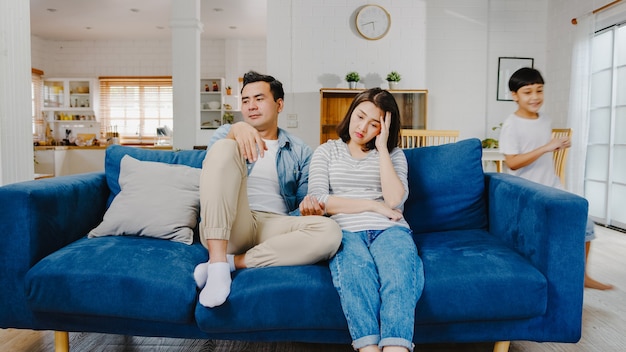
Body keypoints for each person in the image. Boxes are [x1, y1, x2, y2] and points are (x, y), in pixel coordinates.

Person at [194, 71, 342, 308]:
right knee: (223, 148)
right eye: (245, 100)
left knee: (331, 232)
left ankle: (233, 263)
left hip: (274, 226)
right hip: (232, 223)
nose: (251, 106)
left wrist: (310, 210)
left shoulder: (300, 150)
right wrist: (235, 131)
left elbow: (303, 202)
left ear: (279, 104)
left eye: (259, 99)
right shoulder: (224, 135)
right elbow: (212, 179)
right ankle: (218, 263)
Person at [303, 88, 424, 352]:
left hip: (389, 230)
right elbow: (320, 200)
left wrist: (381, 148)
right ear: (351, 113)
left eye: (374, 124)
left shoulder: (393, 155)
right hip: (344, 230)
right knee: (356, 273)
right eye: (360, 117)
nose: (362, 127)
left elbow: (394, 202)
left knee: (399, 272)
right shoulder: (327, 151)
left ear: (385, 128)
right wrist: (372, 205)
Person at [499, 67, 613, 291]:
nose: (535, 97)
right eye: (527, 92)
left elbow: (542, 150)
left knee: (585, 225)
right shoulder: (511, 124)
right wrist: (546, 147)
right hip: (529, 190)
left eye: (539, 91)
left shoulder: (545, 119)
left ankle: (583, 276)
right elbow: (512, 162)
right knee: (546, 234)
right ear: (515, 95)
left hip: (552, 186)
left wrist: (558, 145)